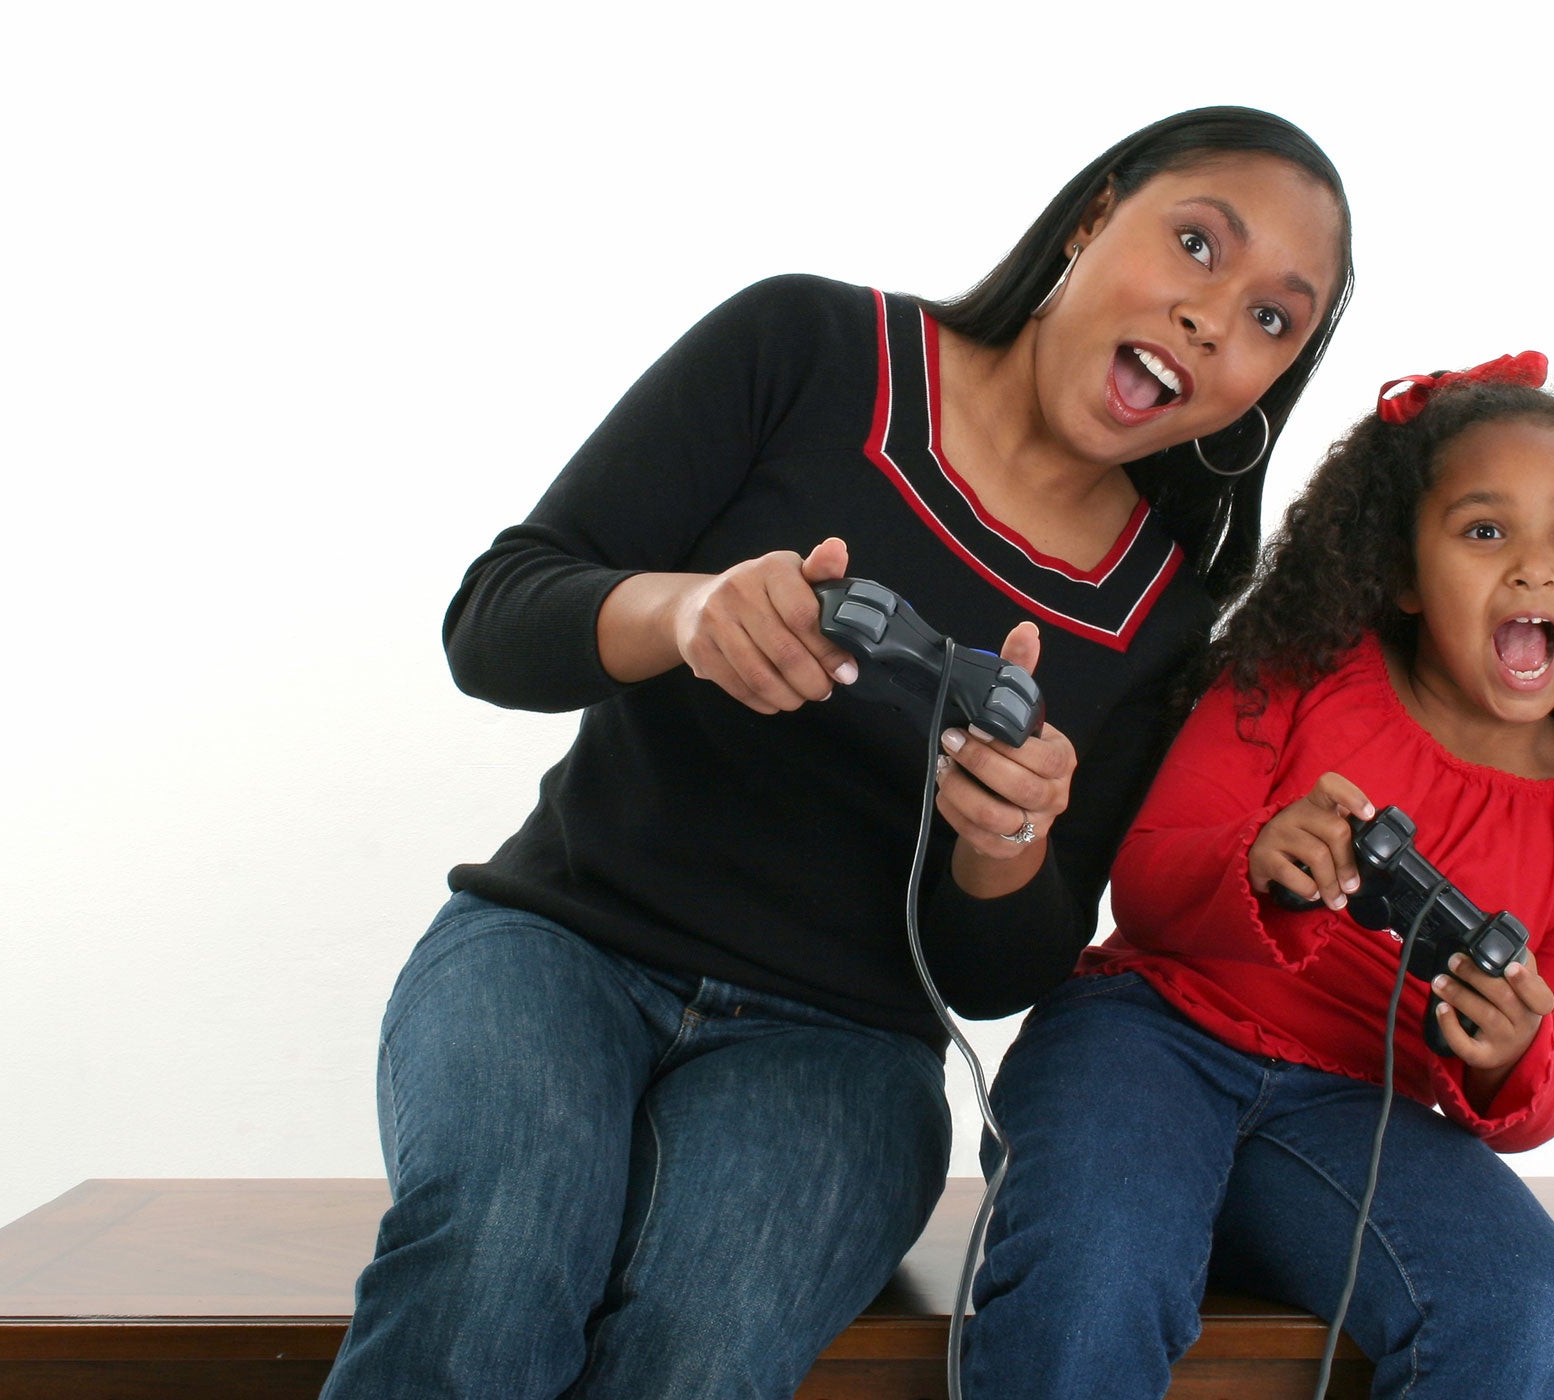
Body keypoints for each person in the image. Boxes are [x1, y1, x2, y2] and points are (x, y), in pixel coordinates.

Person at [318, 107, 1355, 1400]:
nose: (1216, 318)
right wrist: (683, 614)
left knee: (699, 1346)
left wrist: (1004, 844)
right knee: (493, 1260)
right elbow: (492, 622)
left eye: (1274, 318)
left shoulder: (1170, 621)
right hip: (556, 949)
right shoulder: (805, 347)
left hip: (844, 1052)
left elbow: (1001, 973)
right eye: (1198, 245)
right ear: (1094, 218)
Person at [959, 357, 1554, 1399]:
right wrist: (1259, 860)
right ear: (1406, 572)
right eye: (1485, 529)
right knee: (1094, 1278)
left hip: (1356, 1119)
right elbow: (1142, 882)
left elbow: (1544, 1096)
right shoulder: (1296, 669)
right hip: (1148, 1040)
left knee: (1524, 1310)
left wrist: (1508, 1052)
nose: (1534, 568)